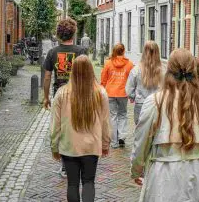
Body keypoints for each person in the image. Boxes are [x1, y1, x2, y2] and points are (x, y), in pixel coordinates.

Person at [131, 49, 199, 202]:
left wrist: (136, 169)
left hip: (164, 170)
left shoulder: (155, 101)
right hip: (197, 169)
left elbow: (141, 139)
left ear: (168, 70)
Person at [50, 55, 111, 202]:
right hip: (91, 146)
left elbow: (55, 125)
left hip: (69, 146)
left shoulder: (62, 93)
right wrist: (105, 143)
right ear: (91, 71)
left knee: (72, 184)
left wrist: (54, 147)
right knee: (89, 182)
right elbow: (105, 122)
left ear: (73, 71)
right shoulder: (100, 93)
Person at [44, 18, 86, 177]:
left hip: (59, 96)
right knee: (78, 127)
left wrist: (46, 97)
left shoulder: (52, 52)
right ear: (74, 33)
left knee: (61, 130)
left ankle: (65, 166)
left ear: (59, 34)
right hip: (78, 95)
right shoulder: (81, 51)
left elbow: (47, 77)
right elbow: (85, 75)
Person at [101, 43, 134, 148]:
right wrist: (131, 92)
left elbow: (103, 79)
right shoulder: (129, 64)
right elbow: (131, 80)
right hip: (123, 93)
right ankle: (122, 137)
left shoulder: (108, 63)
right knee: (123, 114)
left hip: (110, 93)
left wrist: (102, 89)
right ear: (123, 51)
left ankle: (114, 142)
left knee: (113, 116)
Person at [125, 41, 163, 125]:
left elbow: (128, 90)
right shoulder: (163, 71)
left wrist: (134, 97)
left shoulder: (136, 69)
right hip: (157, 104)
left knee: (140, 134)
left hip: (141, 104)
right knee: (155, 133)